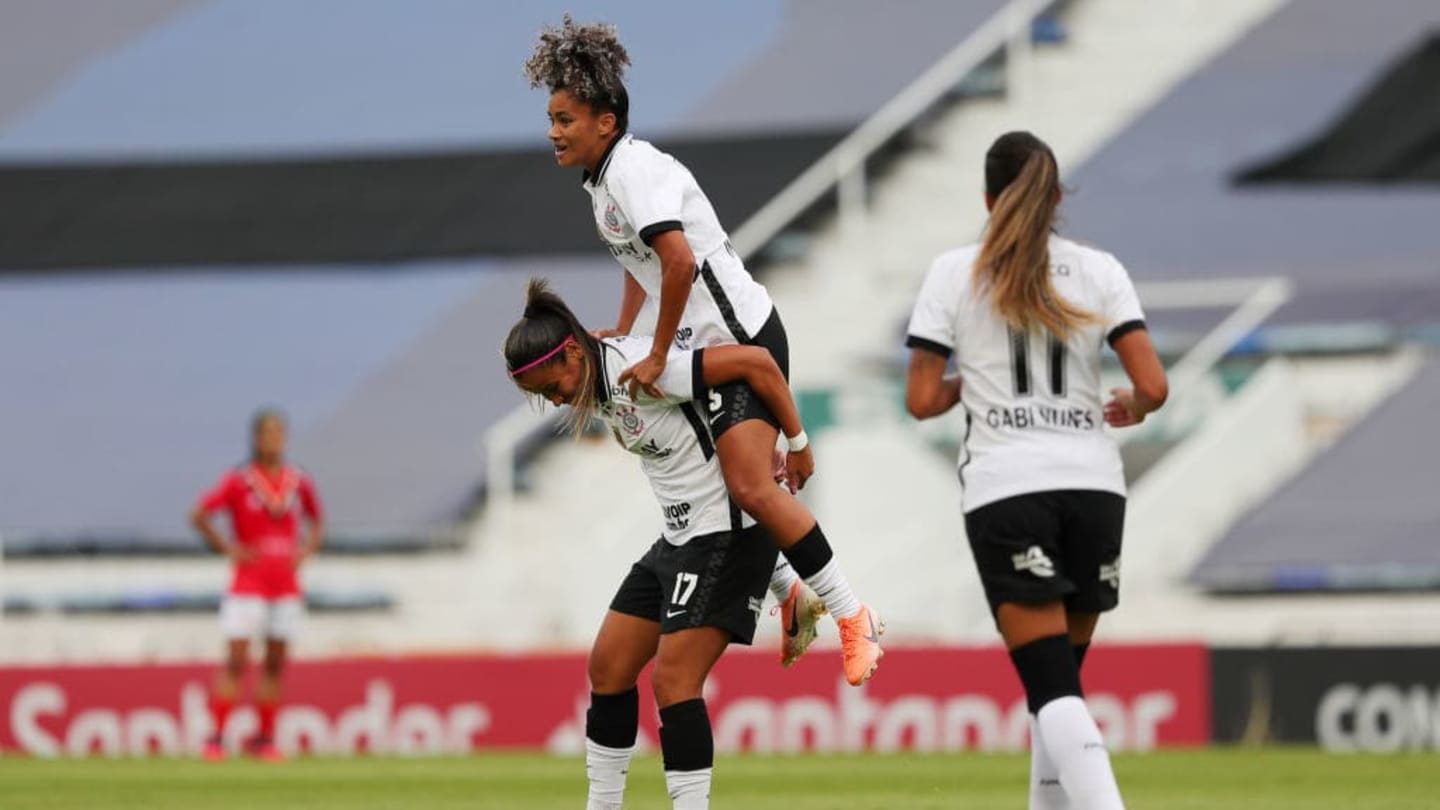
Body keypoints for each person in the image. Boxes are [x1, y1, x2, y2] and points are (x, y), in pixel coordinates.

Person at [524, 15, 878, 681]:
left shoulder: (634, 170)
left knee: (747, 485)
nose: (553, 131)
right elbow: (644, 269)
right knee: (714, 487)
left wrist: (653, 355)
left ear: (605, 120)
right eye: (551, 118)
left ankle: (855, 617)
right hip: (701, 341)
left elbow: (679, 263)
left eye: (564, 118)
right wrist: (628, 336)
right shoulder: (601, 184)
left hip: (740, 335)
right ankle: (792, 596)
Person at [505, 278, 870, 810]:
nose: (555, 400)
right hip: (680, 537)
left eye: (552, 385)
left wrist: (794, 441)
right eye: (541, 396)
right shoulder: (601, 380)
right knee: (607, 667)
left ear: (571, 353)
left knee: (674, 680)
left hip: (724, 537)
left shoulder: (641, 373)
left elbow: (755, 364)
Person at [904, 131, 1167, 810]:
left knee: (1052, 687)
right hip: (1093, 488)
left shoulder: (954, 272)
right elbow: (1154, 387)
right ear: (1055, 199)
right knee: (1060, 688)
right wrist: (1130, 405)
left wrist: (974, 382)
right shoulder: (1100, 270)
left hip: (1009, 487)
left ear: (988, 198)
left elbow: (922, 399)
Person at [190, 408, 324, 761]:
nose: (274, 440)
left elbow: (318, 519)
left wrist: (306, 550)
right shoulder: (240, 480)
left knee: (275, 663)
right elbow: (199, 514)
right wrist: (229, 549)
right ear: (256, 438)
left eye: (279, 433)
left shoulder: (298, 480)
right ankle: (216, 737)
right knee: (236, 659)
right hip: (247, 583)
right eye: (267, 433)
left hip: (285, 585)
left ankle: (264, 738)